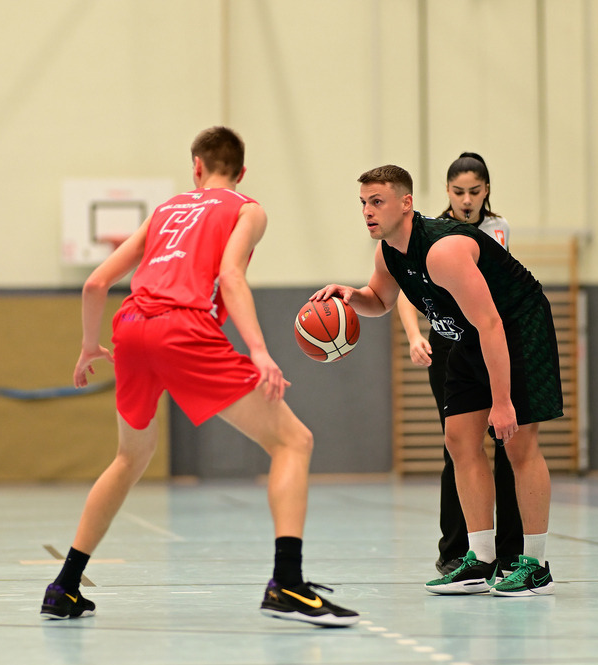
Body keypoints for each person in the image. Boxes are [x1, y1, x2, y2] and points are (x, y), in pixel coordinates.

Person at [40, 126, 359, 627]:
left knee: (129, 457)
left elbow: (96, 282)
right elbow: (231, 275)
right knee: (293, 441)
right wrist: (259, 350)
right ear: (242, 171)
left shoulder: (166, 208)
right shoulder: (248, 208)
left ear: (196, 167)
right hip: (183, 329)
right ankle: (288, 585)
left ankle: (65, 586)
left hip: (129, 328)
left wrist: (87, 345)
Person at [313, 164, 561, 597]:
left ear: (405, 203)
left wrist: (501, 401)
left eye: (377, 202)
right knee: (460, 441)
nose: (368, 212)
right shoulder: (388, 253)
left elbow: (492, 323)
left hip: (516, 326)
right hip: (469, 335)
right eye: (363, 204)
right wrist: (350, 296)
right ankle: (481, 559)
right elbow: (380, 301)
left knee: (519, 443)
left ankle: (535, 564)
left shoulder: (442, 250)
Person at [396, 153, 523, 578]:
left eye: (474, 191)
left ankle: (508, 553)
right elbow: (403, 288)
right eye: (458, 192)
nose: (466, 200)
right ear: (447, 192)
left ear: (486, 191)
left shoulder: (495, 230)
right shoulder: (427, 232)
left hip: (490, 339)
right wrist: (414, 335)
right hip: (449, 345)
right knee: (458, 447)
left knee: (507, 444)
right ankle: (455, 550)